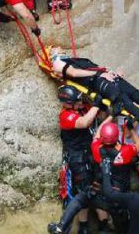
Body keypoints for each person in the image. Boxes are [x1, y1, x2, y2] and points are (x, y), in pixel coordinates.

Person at [48, 118, 139, 234]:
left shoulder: (96, 148)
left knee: (78, 200)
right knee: (123, 227)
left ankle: (61, 226)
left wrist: (110, 117)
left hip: (98, 193)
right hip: (117, 199)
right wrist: (131, 128)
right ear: (116, 136)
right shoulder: (125, 151)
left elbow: (96, 135)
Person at [50, 46, 139, 128]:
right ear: (53, 54)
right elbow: (74, 73)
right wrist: (98, 74)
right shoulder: (57, 62)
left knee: (133, 92)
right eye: (56, 48)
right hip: (94, 81)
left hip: (101, 77)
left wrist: (111, 73)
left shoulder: (72, 60)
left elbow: (94, 67)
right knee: (120, 96)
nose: (60, 48)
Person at [57, 85, 103, 234]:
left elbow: (97, 116)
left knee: (98, 188)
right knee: (82, 193)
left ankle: (103, 225)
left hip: (90, 156)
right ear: (68, 102)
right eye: (77, 100)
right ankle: (83, 227)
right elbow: (84, 122)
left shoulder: (81, 109)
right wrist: (96, 105)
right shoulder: (65, 115)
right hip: (78, 161)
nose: (80, 102)